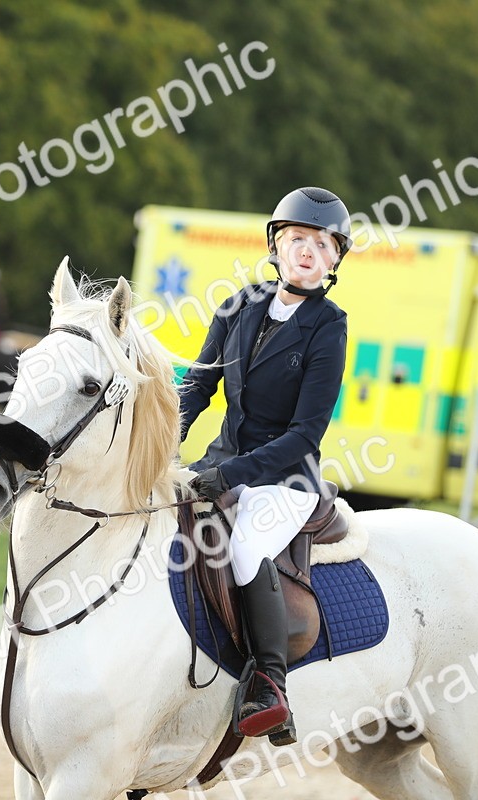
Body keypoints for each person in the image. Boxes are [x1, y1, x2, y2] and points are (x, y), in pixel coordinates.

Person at [179, 187, 351, 744]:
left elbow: (306, 433)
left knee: (246, 547)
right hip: (219, 460)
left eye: (322, 245)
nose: (307, 251)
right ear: (275, 244)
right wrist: (167, 444)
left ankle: (269, 685)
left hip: (286, 479)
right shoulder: (239, 304)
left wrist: (233, 475)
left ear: (334, 261)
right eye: (297, 239)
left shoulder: (329, 325)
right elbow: (199, 385)